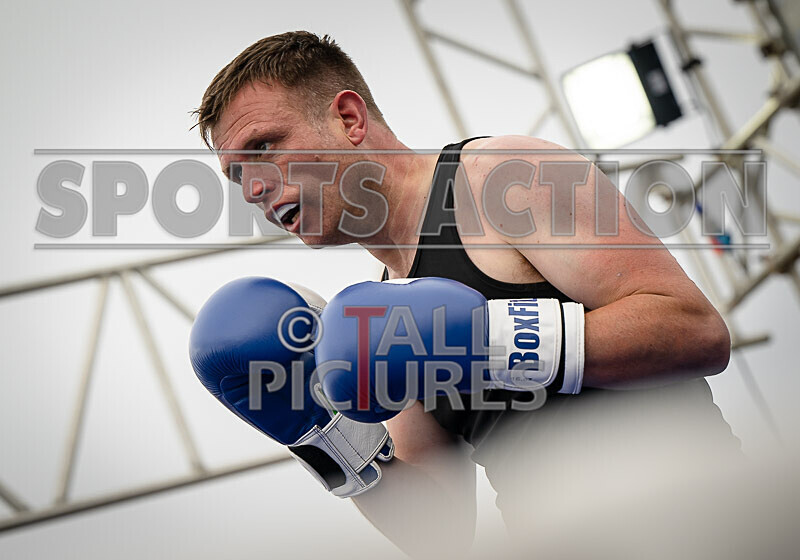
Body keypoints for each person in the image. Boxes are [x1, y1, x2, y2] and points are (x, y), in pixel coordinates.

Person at [192, 31, 740, 557]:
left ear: (348, 119)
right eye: (238, 175)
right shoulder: (381, 318)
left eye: (265, 147)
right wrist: (325, 439)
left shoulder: (501, 178)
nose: (256, 189)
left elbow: (694, 330)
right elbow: (439, 533)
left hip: (702, 523)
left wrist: (484, 342)